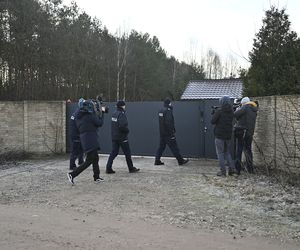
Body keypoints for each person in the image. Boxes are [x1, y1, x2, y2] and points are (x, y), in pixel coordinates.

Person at [67, 99, 105, 184]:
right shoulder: (89, 116)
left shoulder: (79, 116)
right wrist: (102, 114)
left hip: (86, 140)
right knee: (89, 160)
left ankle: (96, 177)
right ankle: (72, 174)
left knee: (95, 158)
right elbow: (100, 123)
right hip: (90, 140)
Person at [106, 100, 140, 174]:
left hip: (114, 137)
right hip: (122, 137)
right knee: (127, 153)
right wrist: (127, 131)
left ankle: (108, 167)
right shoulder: (121, 114)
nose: (125, 107)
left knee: (114, 152)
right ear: (122, 106)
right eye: (124, 105)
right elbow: (122, 126)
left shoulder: (114, 114)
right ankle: (131, 168)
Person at [154, 98, 189, 166]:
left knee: (161, 147)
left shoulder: (161, 110)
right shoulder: (168, 111)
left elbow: (162, 123)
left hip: (162, 133)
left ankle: (157, 160)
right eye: (171, 103)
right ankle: (180, 161)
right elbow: (168, 122)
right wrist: (172, 132)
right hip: (168, 134)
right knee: (174, 147)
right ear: (169, 103)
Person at [211, 96, 235, 177]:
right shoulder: (232, 111)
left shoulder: (219, 111)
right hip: (228, 135)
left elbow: (212, 121)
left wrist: (214, 113)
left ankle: (223, 172)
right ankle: (231, 170)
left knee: (220, 153)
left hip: (219, 135)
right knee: (227, 152)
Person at [234, 96, 258, 175]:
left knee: (239, 150)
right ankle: (250, 168)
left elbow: (236, 114)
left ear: (243, 103)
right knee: (248, 149)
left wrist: (238, 109)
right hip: (250, 132)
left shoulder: (245, 107)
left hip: (242, 131)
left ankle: (237, 169)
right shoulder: (254, 109)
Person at [69, 99, 84, 170]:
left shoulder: (76, 113)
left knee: (81, 149)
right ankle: (72, 165)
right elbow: (79, 125)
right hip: (76, 135)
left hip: (77, 134)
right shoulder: (78, 114)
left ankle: (81, 161)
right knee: (75, 150)